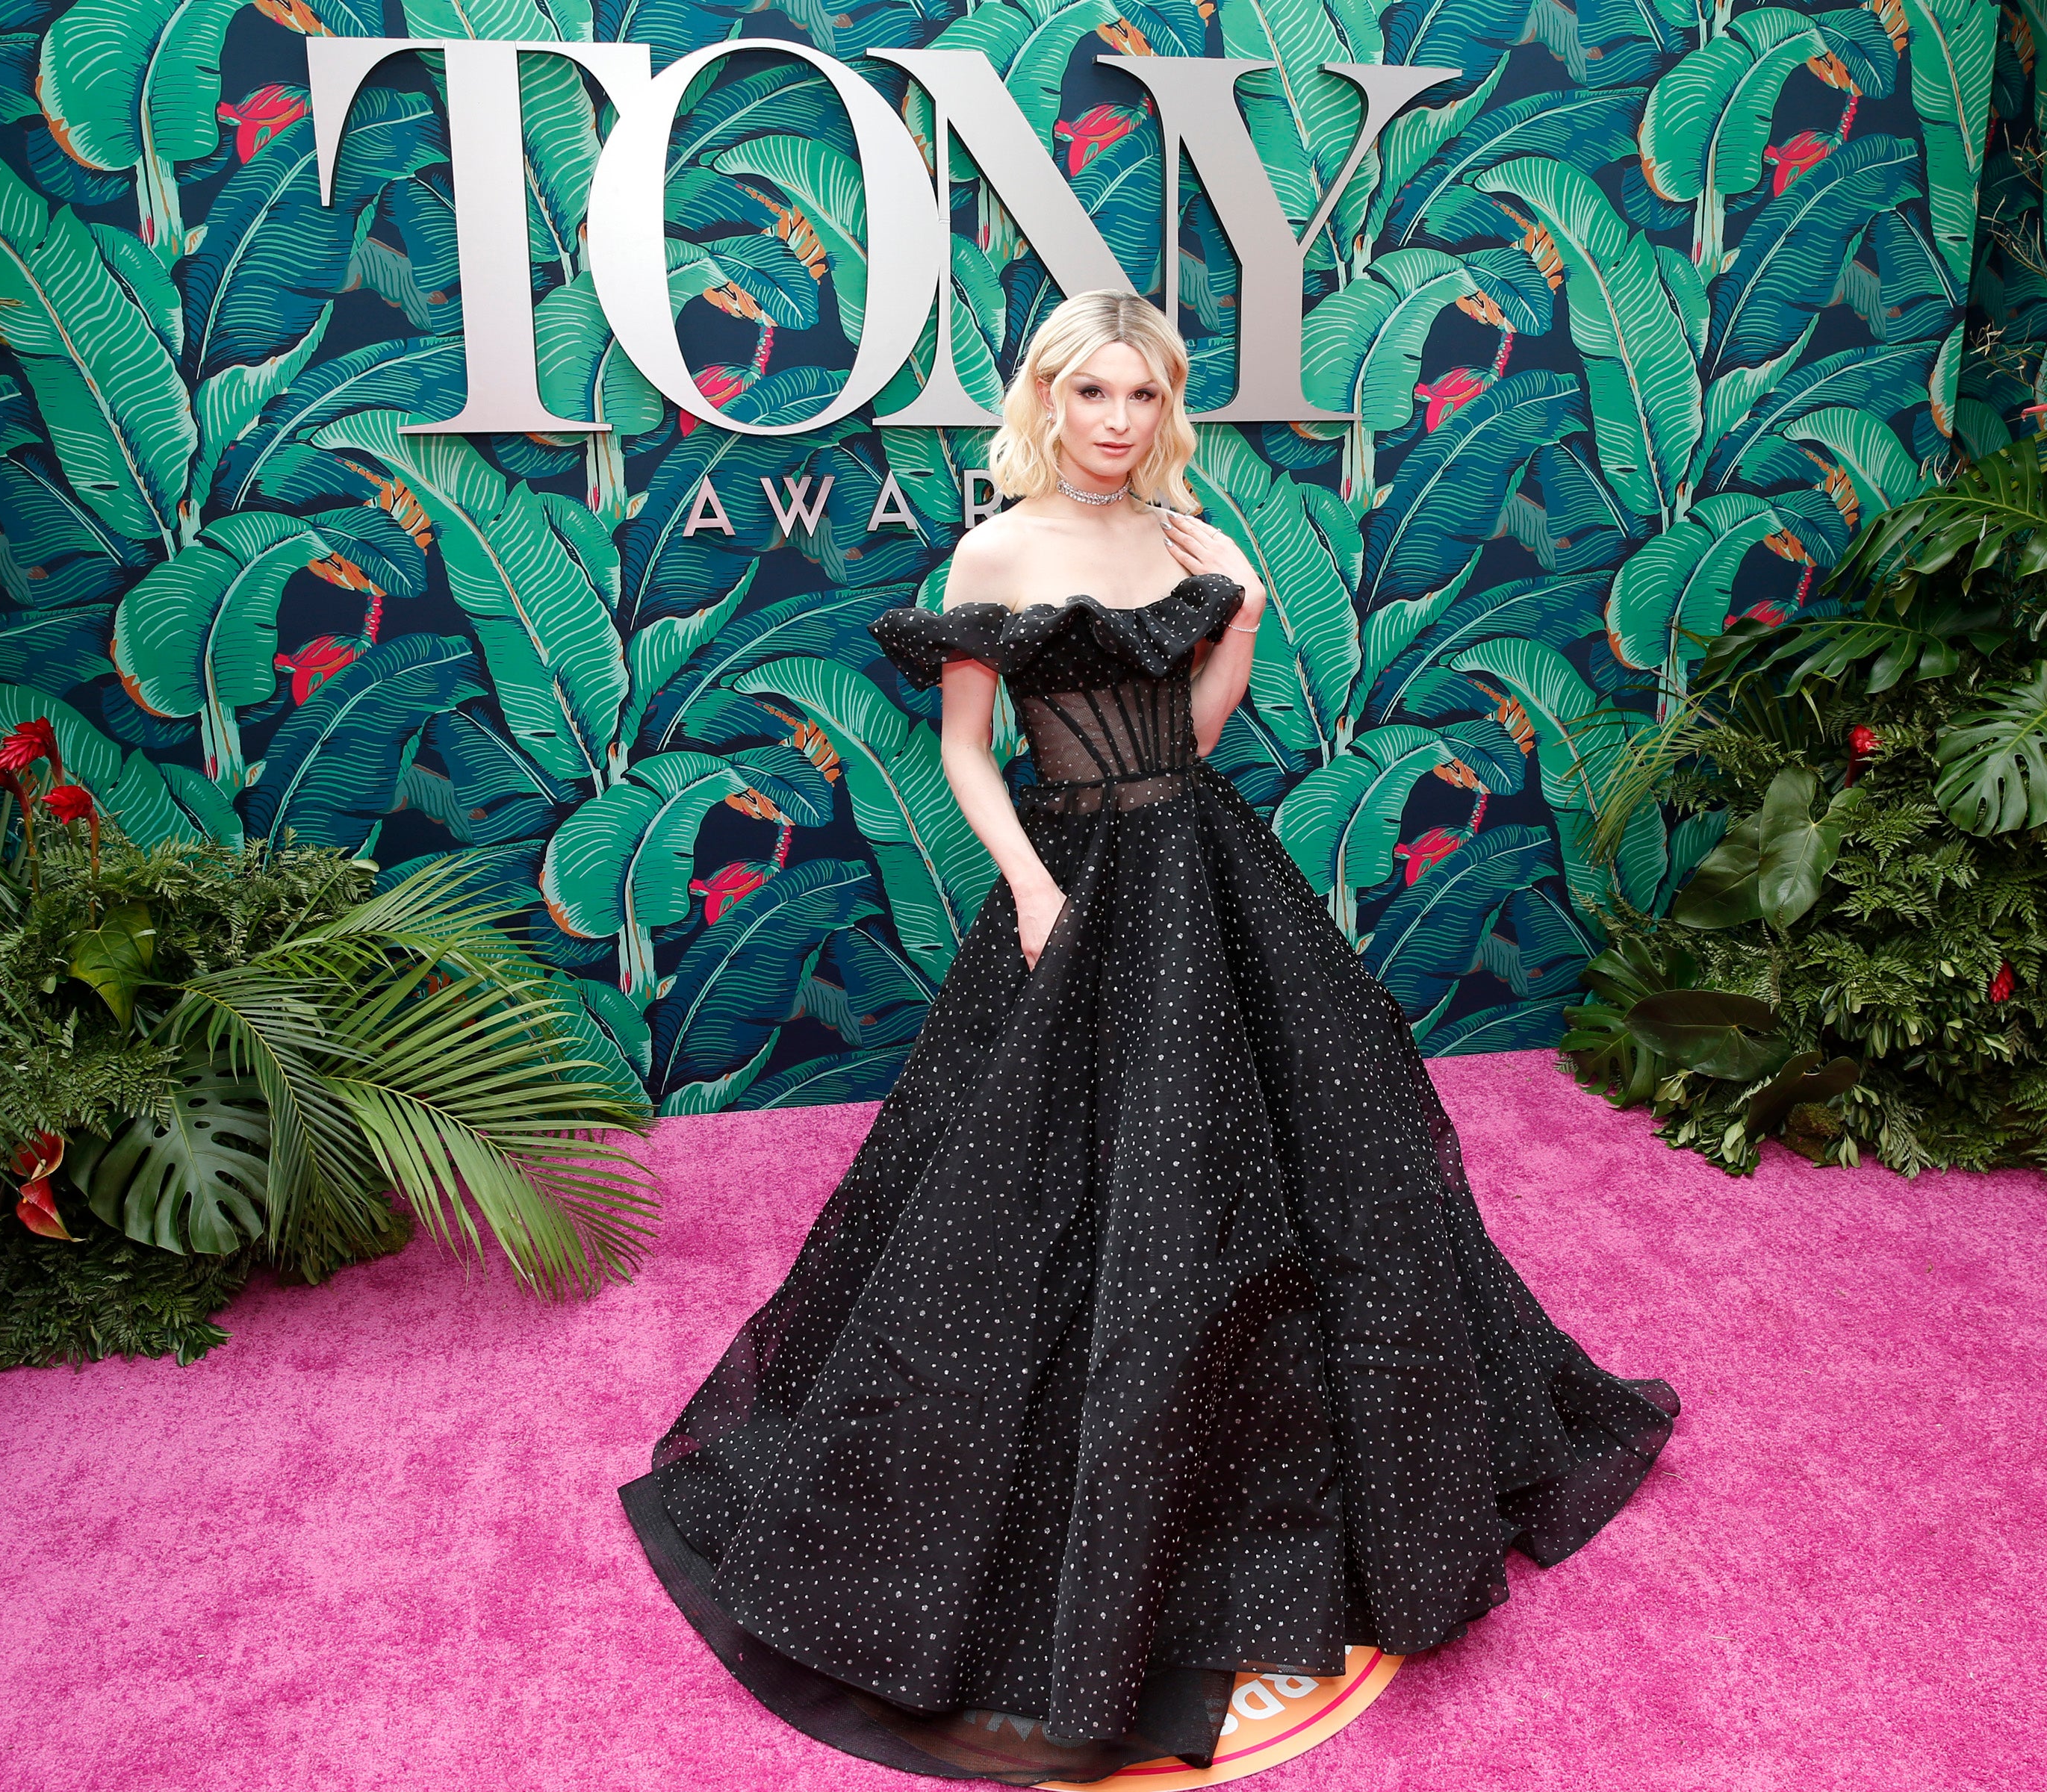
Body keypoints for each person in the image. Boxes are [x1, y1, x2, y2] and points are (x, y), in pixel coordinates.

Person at [621, 290, 1677, 1784]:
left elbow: (1193, 732)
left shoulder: (1187, 542)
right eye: (1092, 393)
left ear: (1165, 407)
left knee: (1308, 1172)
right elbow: (964, 753)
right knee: (1049, 1199)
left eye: (1142, 397)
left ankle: (1290, 1498)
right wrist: (1035, 885)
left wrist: (1240, 602)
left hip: (1206, 862)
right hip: (1074, 883)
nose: (1116, 421)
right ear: (1048, 397)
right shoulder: (997, 548)